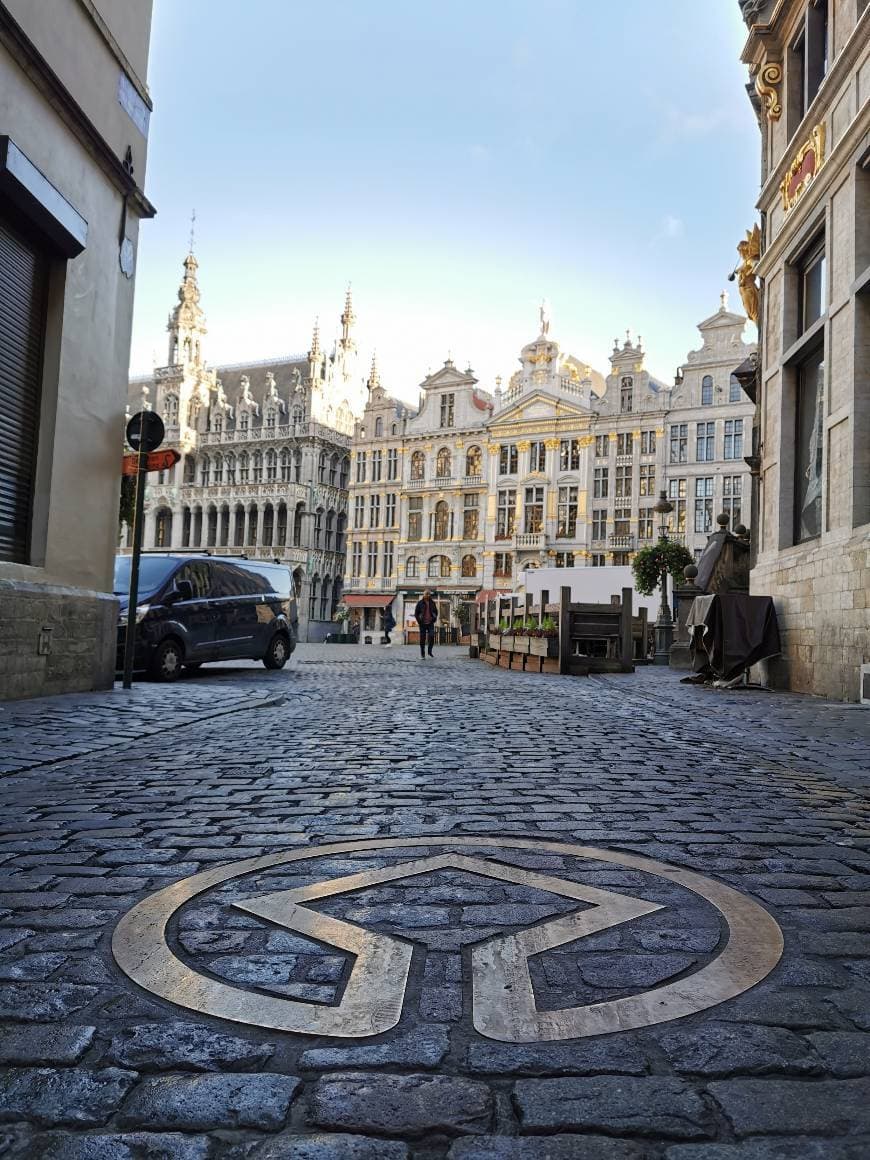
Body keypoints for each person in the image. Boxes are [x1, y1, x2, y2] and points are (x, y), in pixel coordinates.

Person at [414, 589, 438, 658]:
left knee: (432, 636)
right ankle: (422, 653)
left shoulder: (432, 603)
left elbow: (436, 612)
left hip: (430, 623)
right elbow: (416, 613)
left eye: (429, 594)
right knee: (422, 639)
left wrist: (434, 619)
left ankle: (429, 651)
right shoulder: (420, 603)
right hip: (422, 624)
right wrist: (419, 621)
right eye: (426, 594)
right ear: (423, 595)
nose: (428, 595)